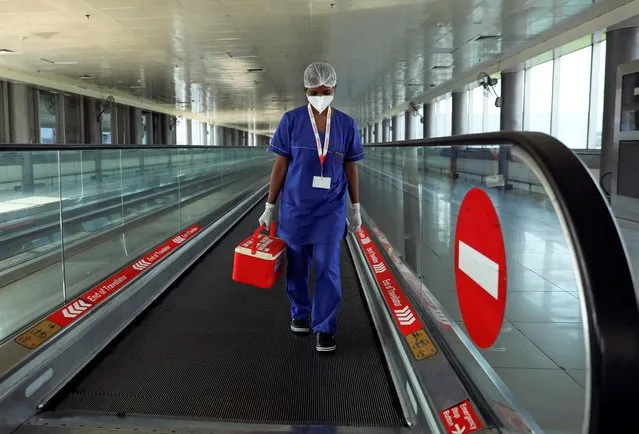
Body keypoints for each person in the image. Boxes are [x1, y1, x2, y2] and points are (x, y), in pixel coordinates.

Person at [259, 62, 364, 353]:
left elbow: (350, 166)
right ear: (305, 91)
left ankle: (325, 326)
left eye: (326, 91)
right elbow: (280, 166)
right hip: (295, 208)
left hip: (330, 210)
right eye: (315, 91)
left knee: (328, 269)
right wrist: (270, 206)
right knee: (297, 266)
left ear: (334, 90)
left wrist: (355, 206)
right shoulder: (291, 121)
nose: (320, 96)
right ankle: (300, 313)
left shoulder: (345, 125)